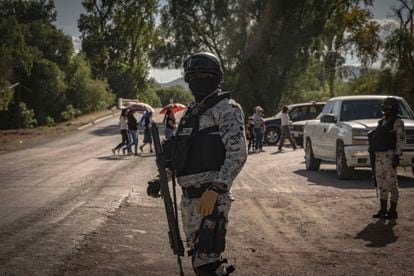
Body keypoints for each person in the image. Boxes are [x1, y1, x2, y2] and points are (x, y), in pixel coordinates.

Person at [151, 52, 247, 275]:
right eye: (191, 76)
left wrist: (217, 188)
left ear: (216, 77)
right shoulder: (190, 113)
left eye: (203, 74)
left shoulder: (227, 109)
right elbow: (181, 156)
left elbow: (238, 153)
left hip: (210, 198)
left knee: (207, 263)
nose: (196, 80)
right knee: (199, 259)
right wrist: (162, 179)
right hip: (189, 199)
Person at [370, 97, 405, 220]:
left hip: (390, 155)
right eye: (385, 105)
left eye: (389, 106)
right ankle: (383, 210)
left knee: (392, 184)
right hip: (379, 155)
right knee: (381, 183)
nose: (386, 108)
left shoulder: (397, 122)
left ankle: (392, 211)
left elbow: (400, 140)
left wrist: (397, 156)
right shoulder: (382, 122)